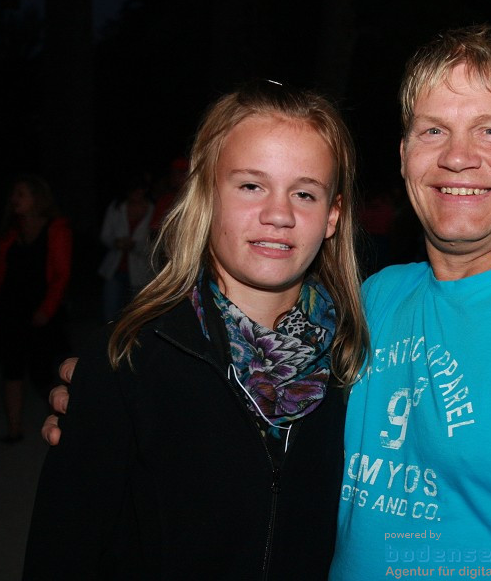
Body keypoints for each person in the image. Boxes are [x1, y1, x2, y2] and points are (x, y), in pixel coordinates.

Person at [46, 26, 491, 579]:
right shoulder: (370, 303)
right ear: (405, 155)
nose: (459, 158)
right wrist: (110, 399)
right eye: (433, 130)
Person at [23, 81, 369, 579]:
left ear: (332, 215)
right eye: (251, 185)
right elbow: (61, 551)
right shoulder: (129, 356)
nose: (278, 214)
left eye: (305, 192)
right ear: (207, 193)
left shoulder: (356, 362)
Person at [0, 175, 71, 442]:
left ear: (37, 198)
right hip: (11, 310)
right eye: (14, 194)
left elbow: (61, 275)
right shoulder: (10, 231)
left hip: (43, 312)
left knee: (44, 373)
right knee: (11, 370)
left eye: (21, 194)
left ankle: (61, 428)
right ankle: (14, 429)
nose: (14, 199)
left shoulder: (56, 228)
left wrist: (47, 309)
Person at [97, 179, 155, 321]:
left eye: (141, 189)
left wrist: (135, 245)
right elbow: (105, 235)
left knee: (136, 318)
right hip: (115, 269)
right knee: (110, 316)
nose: (138, 193)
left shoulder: (153, 209)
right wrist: (116, 242)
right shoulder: (117, 207)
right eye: (135, 189)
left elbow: (155, 242)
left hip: (141, 272)